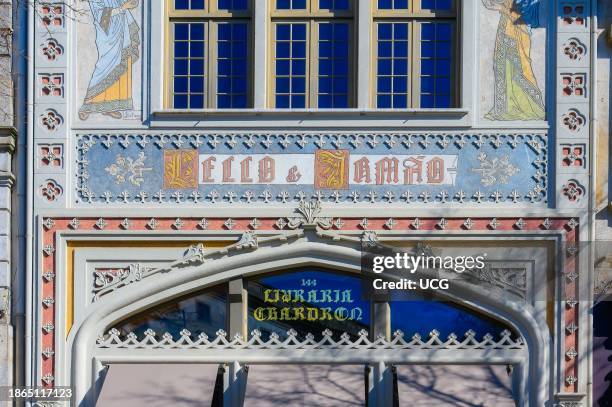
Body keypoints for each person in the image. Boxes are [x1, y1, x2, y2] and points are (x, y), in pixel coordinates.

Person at [483, 0, 545, 121]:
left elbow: (525, 18)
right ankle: (503, 109)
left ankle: (533, 107)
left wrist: (501, 8)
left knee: (520, 70)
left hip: (518, 35)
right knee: (502, 68)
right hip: (504, 31)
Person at [79, 0, 140, 120]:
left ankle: (111, 107)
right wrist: (123, 7)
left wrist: (132, 3)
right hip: (108, 36)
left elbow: (126, 3)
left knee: (122, 64)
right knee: (105, 65)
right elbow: (100, 15)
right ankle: (88, 104)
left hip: (122, 31)